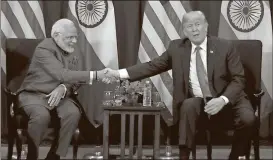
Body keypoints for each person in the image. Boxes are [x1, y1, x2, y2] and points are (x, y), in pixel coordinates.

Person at [104, 11, 255, 160]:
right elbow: (152, 66)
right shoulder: (177, 48)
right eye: (190, 26)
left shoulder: (225, 46)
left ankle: (236, 155)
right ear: (184, 31)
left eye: (198, 24)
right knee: (188, 106)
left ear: (206, 26)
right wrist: (118, 73)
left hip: (229, 97)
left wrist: (222, 99)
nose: (195, 29)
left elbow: (239, 79)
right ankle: (184, 156)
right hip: (199, 100)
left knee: (247, 119)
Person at [16, 19, 109, 160]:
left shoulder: (75, 50)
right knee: (41, 116)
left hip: (61, 96)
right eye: (69, 37)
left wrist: (64, 87)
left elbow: (75, 80)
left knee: (72, 113)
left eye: (75, 37)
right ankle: (32, 155)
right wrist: (96, 75)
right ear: (57, 35)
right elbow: (62, 74)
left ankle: (55, 156)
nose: (74, 41)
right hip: (34, 94)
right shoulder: (44, 48)